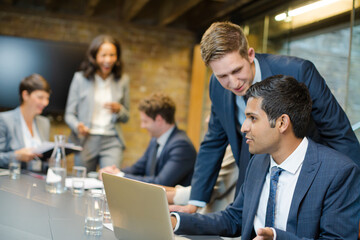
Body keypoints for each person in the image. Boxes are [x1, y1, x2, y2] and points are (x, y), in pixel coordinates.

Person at [180, 21, 360, 213]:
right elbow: (213, 141)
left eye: (236, 70)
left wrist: (354, 192)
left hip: (305, 180)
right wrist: (195, 202)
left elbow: (338, 132)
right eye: (222, 76)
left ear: (250, 54)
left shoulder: (299, 72)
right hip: (251, 179)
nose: (233, 83)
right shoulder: (216, 87)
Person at [171, 75, 360, 239]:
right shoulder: (258, 162)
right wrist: (175, 221)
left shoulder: (339, 172)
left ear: (282, 123)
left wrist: (278, 238)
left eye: (253, 118)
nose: (244, 127)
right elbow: (234, 218)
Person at [99, 93, 196, 187]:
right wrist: (112, 173)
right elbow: (137, 168)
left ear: (159, 120)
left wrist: (120, 176)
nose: (142, 126)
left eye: (145, 121)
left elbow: (160, 183)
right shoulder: (155, 140)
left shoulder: (182, 146)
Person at [65, 34, 130, 172]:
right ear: (94, 57)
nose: (108, 60)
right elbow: (69, 114)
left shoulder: (123, 80)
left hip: (112, 140)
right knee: (82, 181)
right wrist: (78, 126)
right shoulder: (80, 79)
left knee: (111, 182)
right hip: (87, 139)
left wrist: (119, 109)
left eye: (112, 55)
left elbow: (126, 116)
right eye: (103, 55)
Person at [166, 144, 238, 214]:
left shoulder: (235, 149)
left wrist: (161, 195)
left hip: (215, 217)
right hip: (205, 213)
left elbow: (210, 188)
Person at [0, 73, 51, 170]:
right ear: (25, 95)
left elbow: (44, 161)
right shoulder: (4, 120)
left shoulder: (44, 123)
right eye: (40, 97)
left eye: (47, 98)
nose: (45, 103)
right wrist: (17, 156)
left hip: (39, 180)